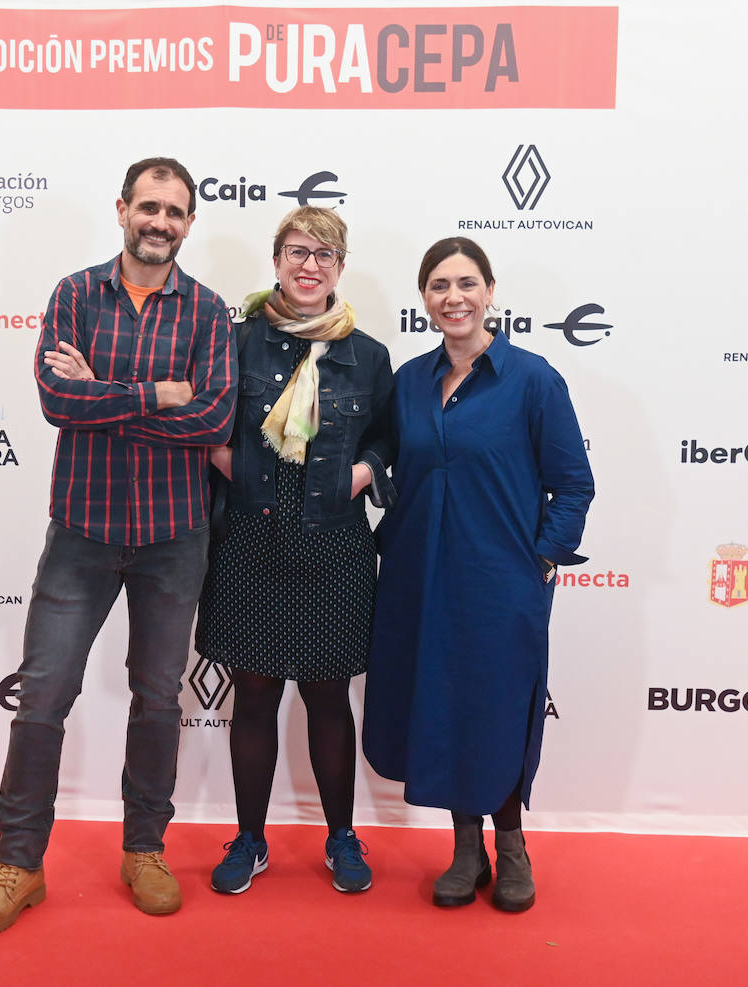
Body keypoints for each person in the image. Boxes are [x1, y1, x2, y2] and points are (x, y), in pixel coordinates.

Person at [0, 157, 237, 937]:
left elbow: (211, 422)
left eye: (175, 211)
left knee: (157, 700)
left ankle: (143, 847)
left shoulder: (209, 314)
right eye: (148, 206)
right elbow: (57, 399)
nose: (160, 221)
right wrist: (158, 392)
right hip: (81, 532)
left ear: (189, 223)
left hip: (173, 537)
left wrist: (105, 397)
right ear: (122, 209)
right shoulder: (75, 295)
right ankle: (19, 862)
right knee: (42, 696)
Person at [362, 236, 593, 912]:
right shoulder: (408, 381)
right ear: (425, 298)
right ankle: (466, 846)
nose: (453, 296)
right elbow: (383, 456)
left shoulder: (533, 379)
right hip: (418, 576)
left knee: (495, 707)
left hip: (501, 582)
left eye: (466, 282)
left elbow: (573, 483)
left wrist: (542, 557)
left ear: (489, 291)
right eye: (438, 285)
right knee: (439, 704)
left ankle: (512, 843)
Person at [195, 206, 394, 895]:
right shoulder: (235, 340)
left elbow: (388, 436)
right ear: (276, 260)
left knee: (328, 694)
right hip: (250, 534)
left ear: (341, 267)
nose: (310, 266)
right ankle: (250, 838)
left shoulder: (366, 354)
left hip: (333, 543)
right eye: (297, 252)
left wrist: (364, 471)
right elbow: (202, 415)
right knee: (252, 696)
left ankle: (341, 836)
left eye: (325, 255)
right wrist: (225, 459)